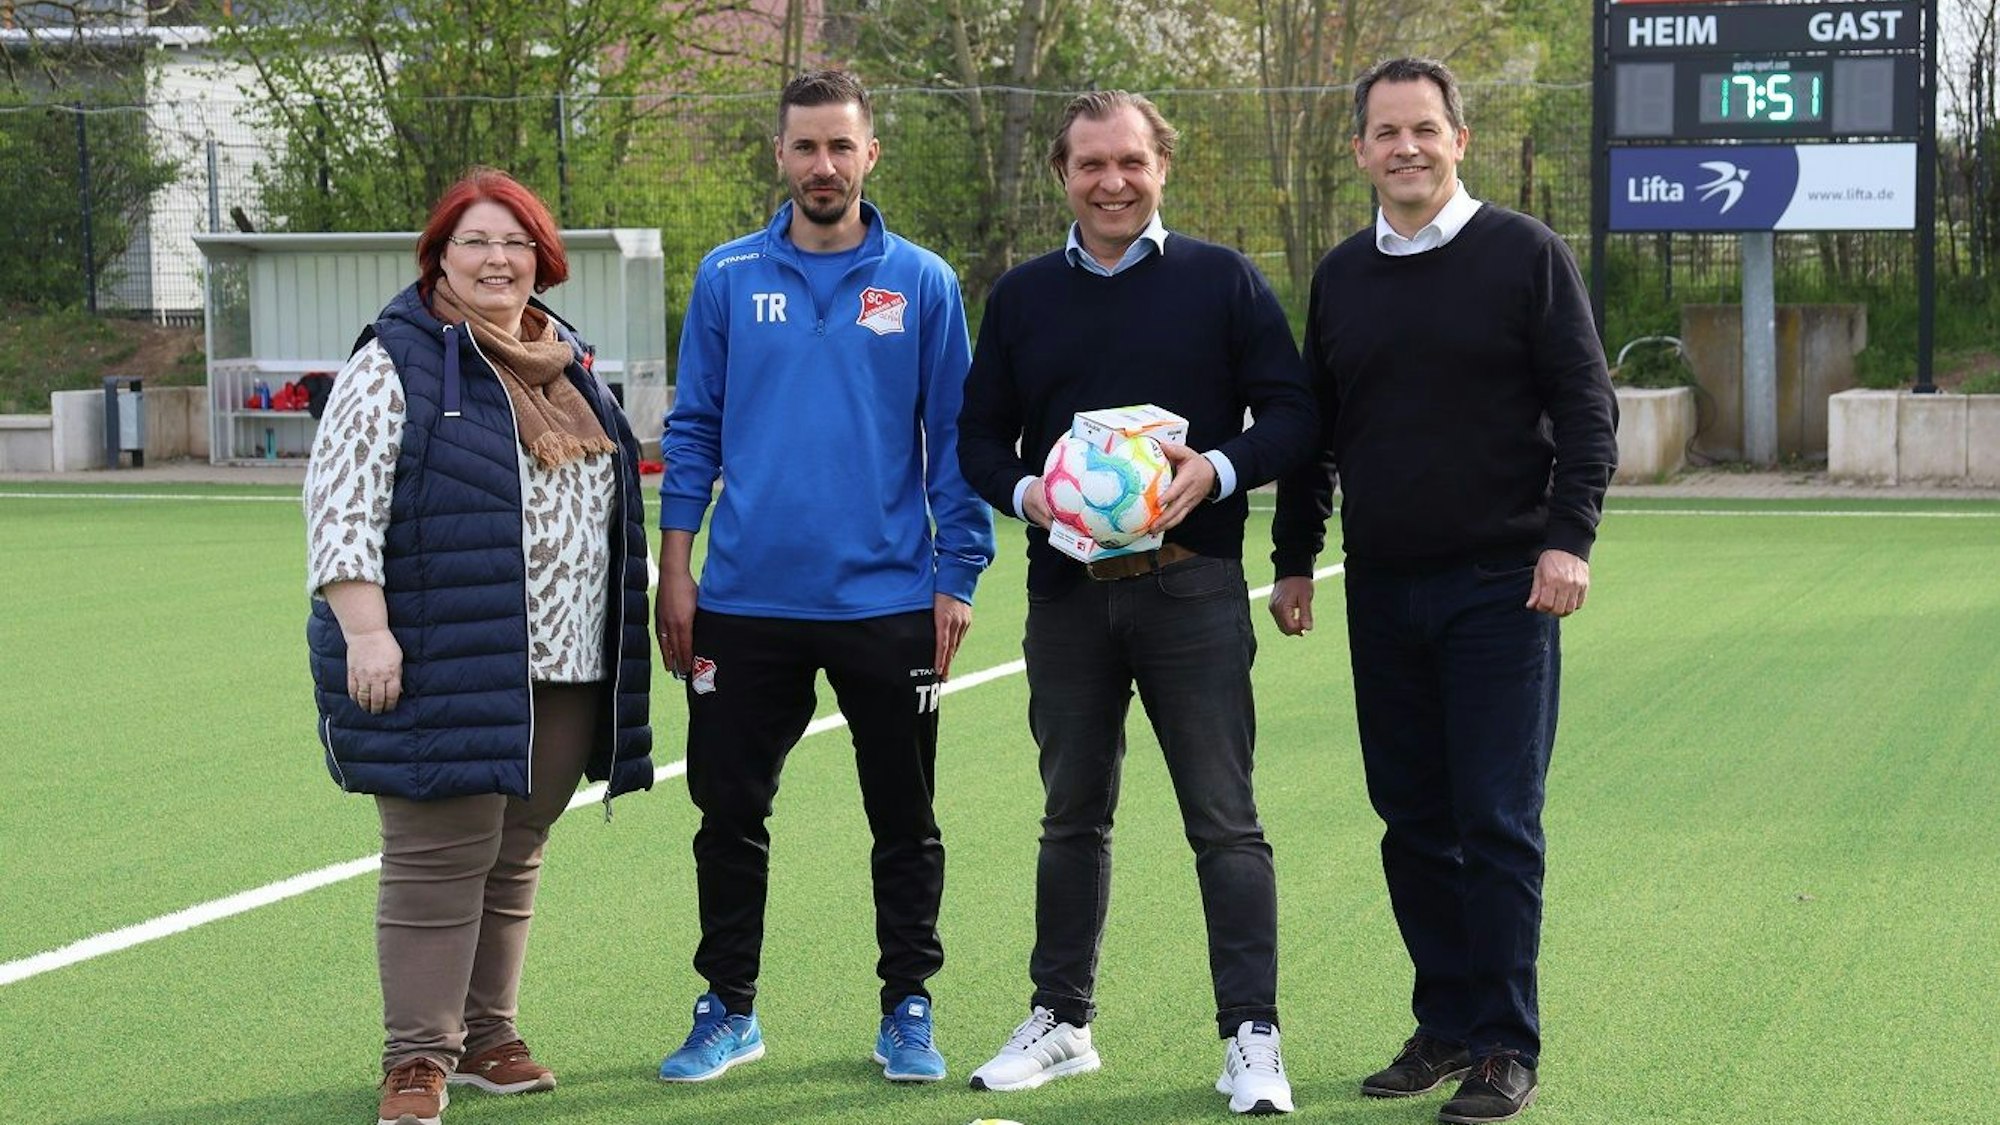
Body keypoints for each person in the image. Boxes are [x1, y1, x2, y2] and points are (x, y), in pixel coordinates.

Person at [1267, 57, 1619, 1125]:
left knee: (1496, 820)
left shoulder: (1525, 254)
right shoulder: (1340, 275)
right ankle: (1448, 1024)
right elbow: (1316, 431)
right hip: (1382, 590)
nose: (1405, 147)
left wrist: (1567, 542)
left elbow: (1587, 408)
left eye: (1424, 128)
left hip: (1502, 589)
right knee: (1412, 820)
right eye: (1385, 132)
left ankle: (1506, 1043)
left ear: (1458, 140)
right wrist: (1294, 556)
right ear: (1359, 151)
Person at [956, 90, 1318, 1116]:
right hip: (1067, 596)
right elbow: (976, 435)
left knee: (1225, 822)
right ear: (1062, 175)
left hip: (1192, 589)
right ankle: (1061, 1021)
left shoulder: (1221, 280)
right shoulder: (1022, 296)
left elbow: (1293, 412)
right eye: (1089, 165)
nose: (1111, 182)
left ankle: (1250, 1038)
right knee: (1070, 817)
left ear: (1162, 165)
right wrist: (1026, 492)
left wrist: (1218, 466)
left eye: (1129, 161)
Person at [653, 69, 995, 1086]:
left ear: (869, 154)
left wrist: (958, 573)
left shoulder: (922, 282)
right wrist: (676, 569)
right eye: (805, 146)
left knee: (904, 820)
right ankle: (729, 1008)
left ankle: (907, 1008)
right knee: (727, 813)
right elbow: (693, 429)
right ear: (780, 155)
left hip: (886, 601)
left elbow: (956, 438)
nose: (823, 165)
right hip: (742, 600)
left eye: (841, 145)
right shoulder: (727, 276)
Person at [303, 167, 655, 1125]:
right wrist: (366, 631)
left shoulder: (565, 358)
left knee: (516, 850)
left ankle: (488, 1035)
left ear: (542, 258)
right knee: (435, 858)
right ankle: (417, 1056)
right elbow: (341, 506)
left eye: (515, 242)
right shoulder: (397, 360)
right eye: (476, 242)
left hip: (568, 661)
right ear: (440, 257)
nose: (497, 259)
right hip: (446, 654)